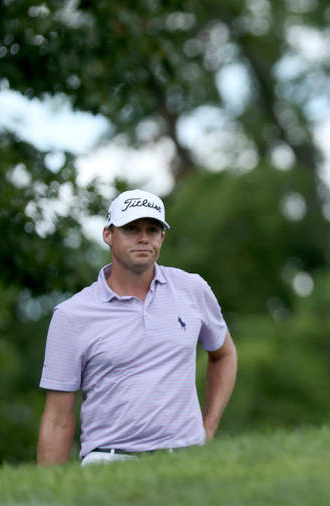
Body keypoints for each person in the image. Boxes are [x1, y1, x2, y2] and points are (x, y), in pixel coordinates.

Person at [37, 189, 238, 466]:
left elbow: (224, 354)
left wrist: (209, 428)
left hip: (186, 460)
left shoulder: (192, 289)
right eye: (131, 228)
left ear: (162, 237)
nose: (143, 238)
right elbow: (57, 420)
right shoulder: (72, 315)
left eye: (152, 229)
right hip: (108, 463)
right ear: (108, 234)